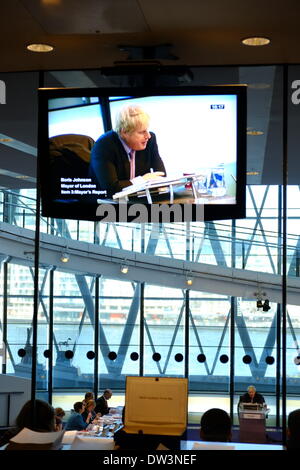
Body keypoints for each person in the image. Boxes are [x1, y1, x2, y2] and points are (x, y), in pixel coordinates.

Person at [89, 105, 166, 198]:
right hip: (104, 203)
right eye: (142, 132)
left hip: (137, 200)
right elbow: (111, 187)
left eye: (147, 130)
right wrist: (143, 180)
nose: (148, 136)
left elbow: (161, 174)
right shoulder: (104, 146)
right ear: (124, 132)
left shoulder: (150, 140)